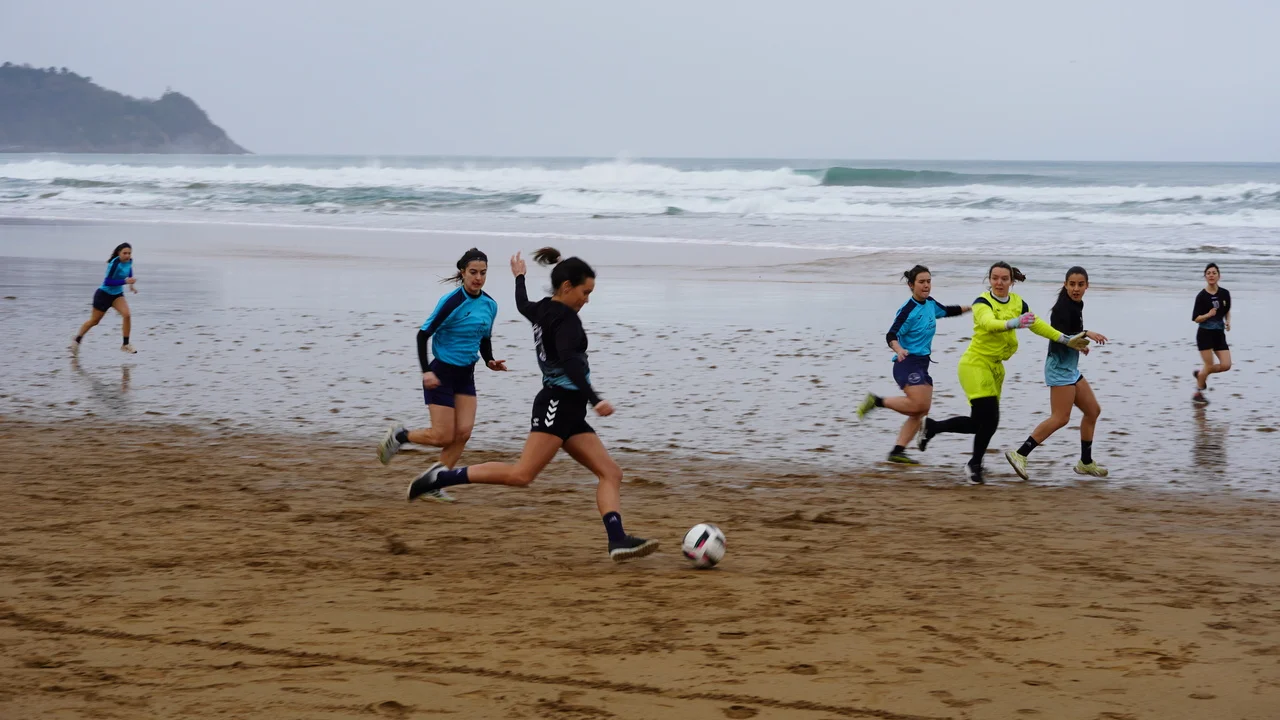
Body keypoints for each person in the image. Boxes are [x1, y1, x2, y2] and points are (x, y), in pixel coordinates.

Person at [406, 248, 659, 563]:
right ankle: (441, 478)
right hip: (556, 404)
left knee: (611, 473)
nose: (587, 300)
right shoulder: (567, 321)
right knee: (521, 475)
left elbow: (522, 304)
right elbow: (569, 363)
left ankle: (617, 540)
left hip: (571, 411)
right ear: (567, 287)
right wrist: (596, 399)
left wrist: (520, 278)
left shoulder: (542, 309)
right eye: (585, 292)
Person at [916, 261, 1090, 484]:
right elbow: (989, 324)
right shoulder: (982, 302)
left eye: (1004, 279)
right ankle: (974, 465)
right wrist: (1014, 323)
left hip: (996, 368)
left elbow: (1037, 324)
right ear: (990, 280)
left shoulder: (1017, 302)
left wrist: (1066, 340)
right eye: (995, 278)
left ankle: (932, 427)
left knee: (980, 423)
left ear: (1011, 281)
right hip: (975, 365)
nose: (999, 283)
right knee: (989, 419)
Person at [377, 249, 506, 502]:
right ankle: (399, 436)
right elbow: (422, 335)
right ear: (462, 272)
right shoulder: (452, 302)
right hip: (441, 373)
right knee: (442, 436)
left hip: (466, 375)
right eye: (473, 272)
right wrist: (426, 371)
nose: (478, 278)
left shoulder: (490, 305)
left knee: (463, 433)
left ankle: (433, 483)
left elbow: (484, 337)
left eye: (483, 273)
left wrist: (490, 360)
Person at [1003, 267, 1110, 480]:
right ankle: (1020, 454)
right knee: (1060, 418)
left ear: (1087, 286)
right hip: (1059, 369)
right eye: (1072, 284)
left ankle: (1085, 462)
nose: (1076, 288)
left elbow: (1070, 336)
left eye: (1080, 284)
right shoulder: (1062, 308)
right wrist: (1086, 334)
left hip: (1070, 368)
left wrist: (1080, 344)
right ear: (1065, 284)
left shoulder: (1076, 304)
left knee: (1093, 411)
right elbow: (1059, 336)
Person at [856, 265, 970, 464]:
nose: (926, 285)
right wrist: (898, 349)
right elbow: (891, 334)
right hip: (906, 362)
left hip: (922, 364)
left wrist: (973, 307)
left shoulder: (930, 304)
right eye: (921, 282)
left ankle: (897, 451)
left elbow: (947, 311)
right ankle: (877, 401)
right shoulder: (908, 310)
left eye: (929, 281)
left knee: (921, 410)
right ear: (911, 285)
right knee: (918, 405)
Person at [71, 243, 138, 355]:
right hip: (103, 295)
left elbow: (129, 270)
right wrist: (125, 281)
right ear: (119, 253)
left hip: (117, 295)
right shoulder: (114, 264)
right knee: (94, 321)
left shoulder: (129, 261)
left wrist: (131, 285)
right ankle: (77, 339)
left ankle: (125, 344)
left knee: (127, 315)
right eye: (125, 253)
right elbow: (108, 282)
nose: (127, 255)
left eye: (129, 253)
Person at [1191, 262, 1231, 405]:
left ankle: (1201, 375)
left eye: (1214, 273)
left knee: (1226, 365)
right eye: (1208, 273)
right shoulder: (1201, 296)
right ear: (1205, 276)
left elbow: (1227, 311)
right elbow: (1195, 318)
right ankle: (1198, 393)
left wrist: (1228, 321)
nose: (1211, 275)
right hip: (1205, 334)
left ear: (1219, 276)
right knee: (1209, 364)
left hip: (1219, 334)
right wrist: (1208, 315)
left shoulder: (1225, 293)